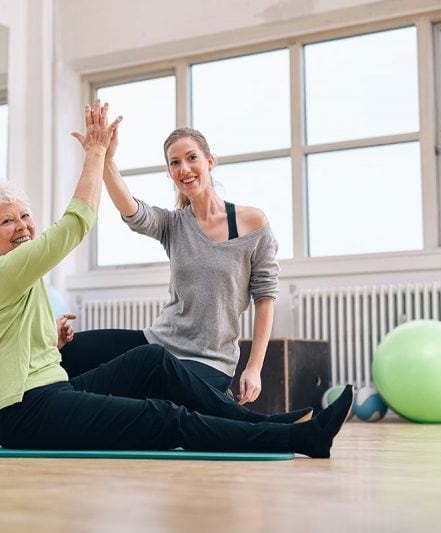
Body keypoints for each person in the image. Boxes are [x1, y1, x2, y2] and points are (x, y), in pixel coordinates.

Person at [0, 100, 352, 457]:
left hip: (54, 389)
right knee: (165, 417)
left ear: (210, 161)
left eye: (25, 215)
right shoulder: (6, 270)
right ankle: (297, 438)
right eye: (7, 221)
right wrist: (98, 155)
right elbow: (80, 222)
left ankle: (276, 426)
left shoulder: (21, 276)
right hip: (26, 410)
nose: (23, 225)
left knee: (151, 361)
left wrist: (47, 338)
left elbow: (5, 337)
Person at [61, 125, 281, 407]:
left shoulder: (252, 222)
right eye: (174, 163)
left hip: (209, 362)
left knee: (145, 395)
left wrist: (254, 368)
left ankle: (216, 402)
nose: (184, 169)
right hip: (157, 343)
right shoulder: (174, 225)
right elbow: (133, 210)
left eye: (192, 158)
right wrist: (104, 157)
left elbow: (265, 298)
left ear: (210, 162)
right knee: (67, 352)